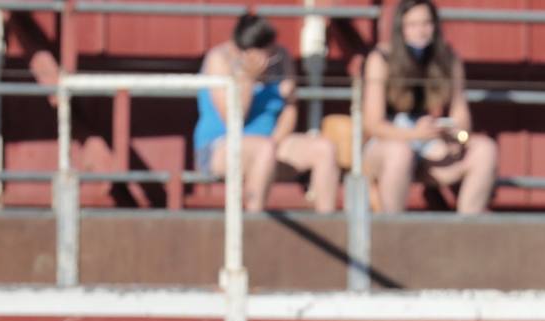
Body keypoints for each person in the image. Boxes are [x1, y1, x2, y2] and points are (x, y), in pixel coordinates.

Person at [194, 14, 340, 213]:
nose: (269, 58)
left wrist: (277, 139)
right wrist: (248, 79)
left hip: (273, 141)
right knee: (264, 150)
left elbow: (290, 109)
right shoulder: (219, 59)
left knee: (325, 148)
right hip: (222, 146)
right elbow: (233, 118)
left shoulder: (281, 57)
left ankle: (328, 225)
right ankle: (252, 224)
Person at [363, 0, 497, 214]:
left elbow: (461, 115)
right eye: (413, 24)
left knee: (484, 149)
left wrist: (454, 134)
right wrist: (413, 134)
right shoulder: (381, 59)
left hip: (431, 145)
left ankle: (469, 228)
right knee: (401, 153)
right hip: (388, 145)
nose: (420, 31)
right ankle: (390, 228)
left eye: (426, 23)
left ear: (435, 26)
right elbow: (372, 124)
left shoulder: (447, 58)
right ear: (401, 28)